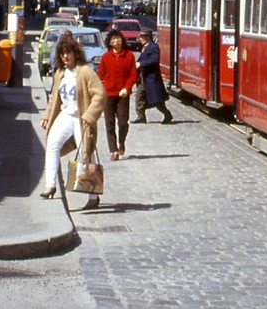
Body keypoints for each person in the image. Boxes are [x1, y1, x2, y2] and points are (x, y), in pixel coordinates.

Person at [40, 36, 106, 208]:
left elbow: (100, 94)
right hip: (65, 115)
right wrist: (47, 115)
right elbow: (55, 97)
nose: (65, 56)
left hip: (81, 117)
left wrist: (90, 116)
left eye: (68, 53)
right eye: (62, 53)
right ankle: (51, 185)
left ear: (76, 53)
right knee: (52, 145)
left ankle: (93, 197)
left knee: (86, 153)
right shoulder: (60, 72)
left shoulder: (85, 72)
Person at [97, 29, 138, 161]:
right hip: (108, 94)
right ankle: (113, 150)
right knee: (109, 123)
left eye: (118, 39)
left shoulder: (129, 55)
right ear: (109, 42)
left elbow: (133, 75)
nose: (116, 41)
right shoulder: (105, 57)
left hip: (123, 94)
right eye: (113, 39)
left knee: (122, 121)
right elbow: (101, 75)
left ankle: (121, 142)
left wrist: (127, 88)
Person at [132, 29, 173, 124]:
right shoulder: (145, 47)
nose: (140, 38)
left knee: (157, 101)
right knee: (139, 97)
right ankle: (141, 117)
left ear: (147, 37)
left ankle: (167, 115)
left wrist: (141, 64)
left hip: (151, 78)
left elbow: (154, 60)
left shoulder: (153, 47)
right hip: (143, 78)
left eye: (142, 37)